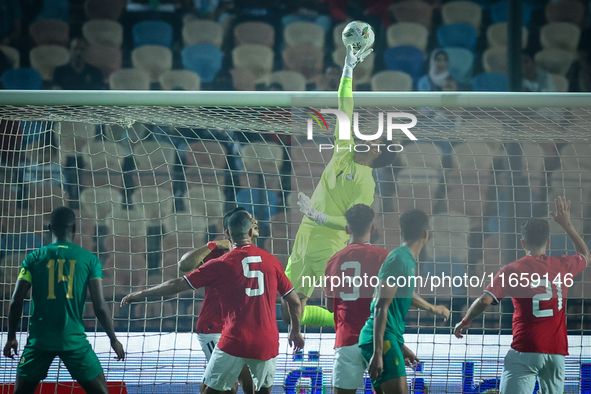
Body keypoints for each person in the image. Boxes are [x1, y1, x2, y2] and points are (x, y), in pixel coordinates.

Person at [121, 210, 305, 394]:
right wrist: (295, 330)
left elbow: (176, 284)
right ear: (251, 232)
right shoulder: (272, 262)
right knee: (255, 389)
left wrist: (142, 294)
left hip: (234, 338)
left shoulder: (222, 262)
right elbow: (295, 302)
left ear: (228, 233)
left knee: (213, 389)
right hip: (261, 338)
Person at [282, 42, 397, 327]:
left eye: (376, 139)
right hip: (304, 237)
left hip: (329, 244)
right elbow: (345, 105)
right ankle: (334, 325)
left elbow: (352, 224)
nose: (369, 136)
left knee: (344, 304)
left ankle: (355, 327)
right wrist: (348, 68)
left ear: (378, 152)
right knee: (289, 309)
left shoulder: (366, 184)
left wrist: (318, 215)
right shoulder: (344, 149)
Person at [454, 196, 590, 394]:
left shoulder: (513, 270)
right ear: (549, 241)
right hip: (556, 350)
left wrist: (465, 321)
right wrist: (567, 225)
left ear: (523, 242)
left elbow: (485, 299)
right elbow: (586, 255)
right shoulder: (563, 265)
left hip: (526, 347)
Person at [325, 205, 449, 394]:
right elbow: (392, 298)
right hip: (378, 339)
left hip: (346, 340)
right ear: (373, 229)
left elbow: (330, 306)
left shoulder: (333, 260)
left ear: (347, 229)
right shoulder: (386, 257)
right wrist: (432, 308)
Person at [3, 206, 125, 394]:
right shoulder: (89, 260)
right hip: (74, 341)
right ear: (74, 229)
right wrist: (113, 339)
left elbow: (15, 301)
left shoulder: (33, 258)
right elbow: (100, 306)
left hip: (40, 342)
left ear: (49, 228)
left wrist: (11, 337)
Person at [178, 206, 255, 394]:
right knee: (228, 385)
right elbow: (184, 265)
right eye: (249, 220)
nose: (255, 223)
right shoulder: (217, 254)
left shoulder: (255, 254)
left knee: (243, 379)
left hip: (238, 330)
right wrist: (213, 245)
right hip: (215, 328)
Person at [357, 209, 430, 394]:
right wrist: (378, 352)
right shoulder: (399, 259)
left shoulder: (406, 260)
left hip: (389, 339)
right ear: (426, 234)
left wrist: (399, 344)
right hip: (381, 340)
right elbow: (381, 307)